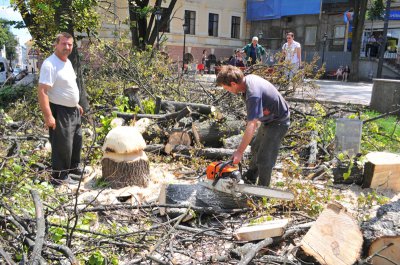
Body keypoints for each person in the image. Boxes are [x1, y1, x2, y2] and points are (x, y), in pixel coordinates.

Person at [216, 65, 290, 187]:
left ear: (233, 84)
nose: (227, 90)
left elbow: (252, 124)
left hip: (279, 121)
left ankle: (262, 190)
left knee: (265, 157)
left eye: (226, 88)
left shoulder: (252, 94)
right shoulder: (247, 81)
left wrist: (239, 152)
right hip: (268, 120)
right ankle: (250, 178)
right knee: (255, 147)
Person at [38, 32, 85, 186]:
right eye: (63, 44)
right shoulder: (50, 64)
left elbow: (67, 86)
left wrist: (75, 104)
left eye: (70, 44)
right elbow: (43, 91)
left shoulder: (67, 62)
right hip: (59, 110)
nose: (67, 47)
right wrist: (48, 116)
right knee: (62, 144)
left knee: (76, 141)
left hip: (72, 110)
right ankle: (59, 177)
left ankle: (72, 170)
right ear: (56, 44)